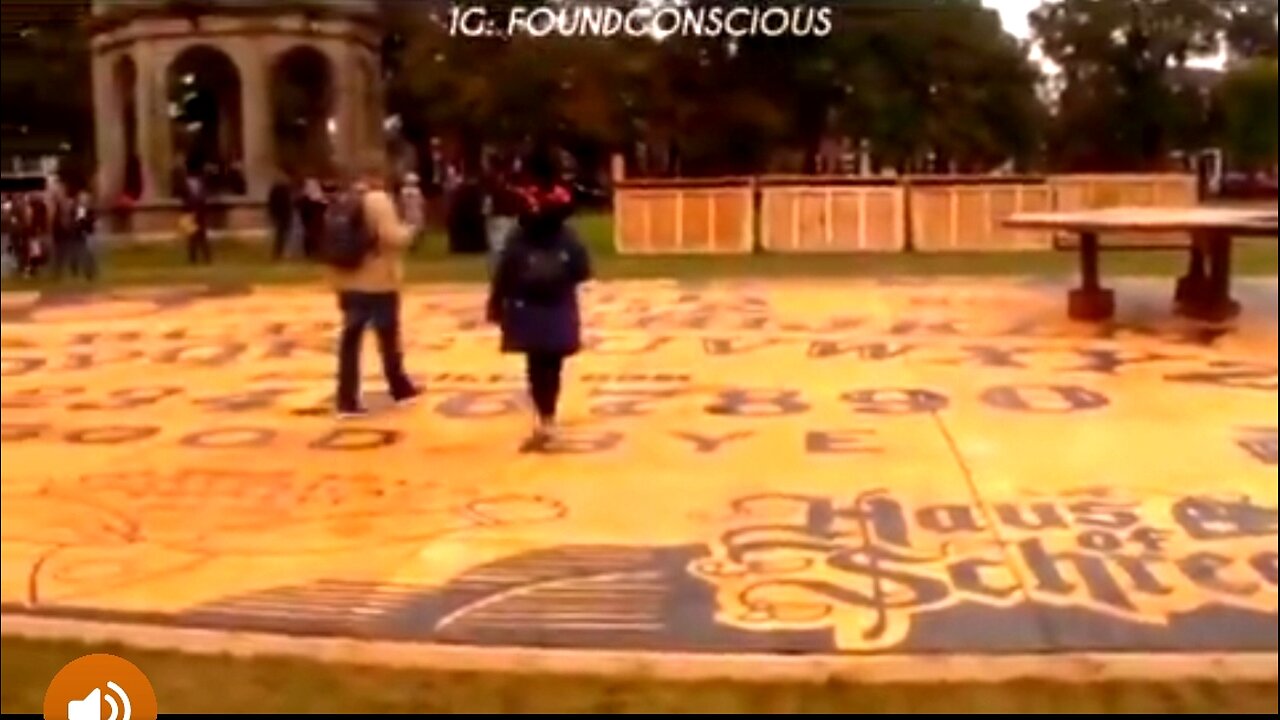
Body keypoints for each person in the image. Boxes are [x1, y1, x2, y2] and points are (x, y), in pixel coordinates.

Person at [486, 150, 590, 442]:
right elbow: (581, 269)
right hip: (556, 300)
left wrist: (497, 301)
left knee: (536, 362)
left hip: (528, 302)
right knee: (552, 363)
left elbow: (506, 269)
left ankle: (543, 412)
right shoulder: (565, 228)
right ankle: (547, 412)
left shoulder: (521, 229)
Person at [325, 157, 420, 418]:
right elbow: (393, 237)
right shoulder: (378, 200)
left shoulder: (344, 199)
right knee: (388, 337)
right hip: (378, 280)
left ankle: (346, 398)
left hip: (346, 278)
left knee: (350, 339)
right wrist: (410, 229)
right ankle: (399, 387)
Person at [181, 175, 212, 265]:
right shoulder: (187, 194)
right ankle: (192, 259)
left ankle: (207, 258)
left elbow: (204, 205)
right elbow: (185, 206)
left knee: (203, 239)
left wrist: (198, 214)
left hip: (200, 218)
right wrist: (188, 216)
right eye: (190, 183)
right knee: (192, 239)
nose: (191, 185)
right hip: (191, 218)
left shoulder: (202, 193)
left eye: (193, 183)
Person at [298, 178, 328, 260]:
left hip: (312, 220)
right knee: (313, 235)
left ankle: (311, 252)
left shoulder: (306, 198)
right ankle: (312, 252)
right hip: (312, 220)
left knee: (311, 235)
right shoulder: (317, 199)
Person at [268, 176, 295, 260]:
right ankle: (282, 252)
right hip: (284, 215)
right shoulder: (285, 190)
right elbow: (288, 204)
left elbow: (272, 204)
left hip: (280, 214)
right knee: (283, 234)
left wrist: (273, 215)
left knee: (280, 235)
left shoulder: (276, 190)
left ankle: (279, 253)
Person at [398, 172, 426, 253]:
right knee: (416, 228)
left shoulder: (403, 191)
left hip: (408, 211)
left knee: (409, 227)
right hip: (416, 211)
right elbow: (421, 202)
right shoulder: (417, 191)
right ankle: (413, 243)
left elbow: (401, 203)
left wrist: (401, 211)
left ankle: (410, 243)